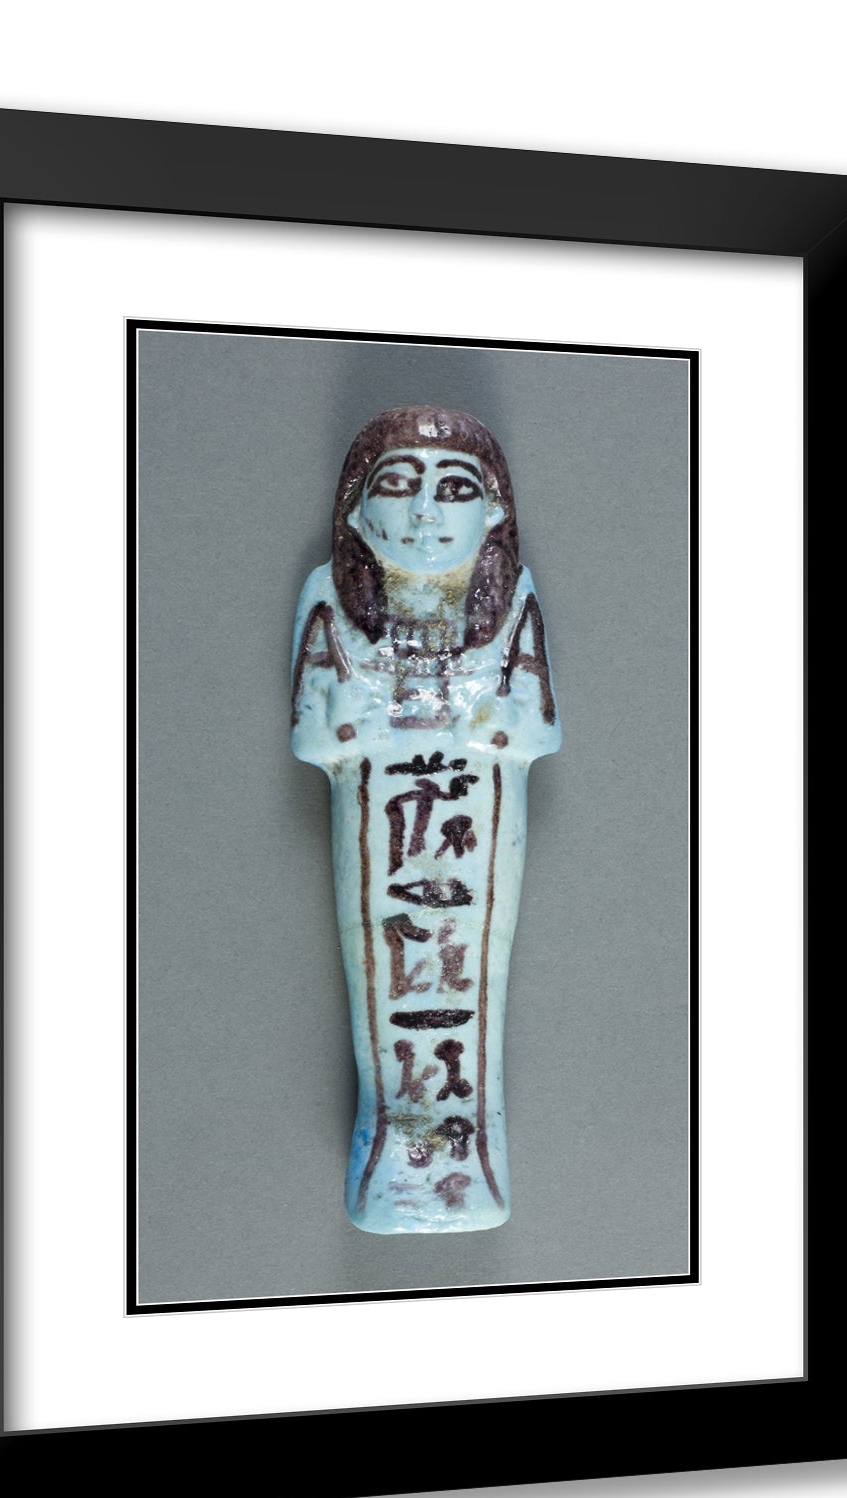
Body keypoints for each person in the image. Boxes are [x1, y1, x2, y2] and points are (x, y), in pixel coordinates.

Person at [290, 407, 561, 1233]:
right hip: (383, 816)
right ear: (355, 512)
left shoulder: (510, 600)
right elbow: (314, 734)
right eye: (399, 486)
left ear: (493, 511)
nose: (423, 512)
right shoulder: (328, 598)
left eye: (453, 490)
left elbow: (531, 727)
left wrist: (458, 715)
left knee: (466, 982)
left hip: (473, 817)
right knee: (392, 982)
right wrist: (387, 715)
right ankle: (392, 1160)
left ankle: (468, 1165)